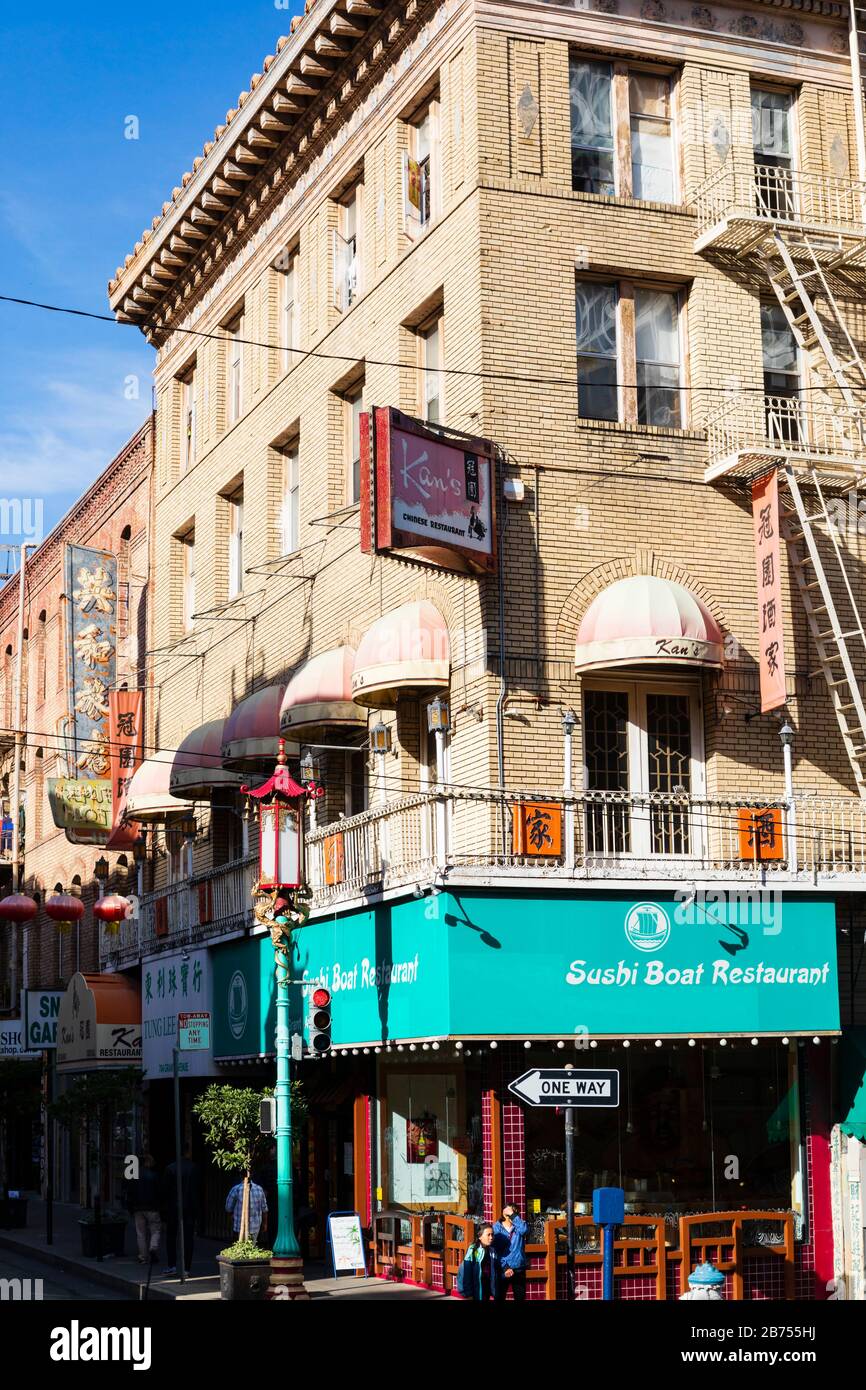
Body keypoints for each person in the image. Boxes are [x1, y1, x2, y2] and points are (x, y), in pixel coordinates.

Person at [162, 1144, 201, 1276]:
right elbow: (197, 1190)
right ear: (187, 1152)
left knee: (171, 1237)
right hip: (189, 1207)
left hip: (173, 1207)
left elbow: (165, 1191)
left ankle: (172, 1265)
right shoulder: (194, 1168)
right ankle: (186, 1269)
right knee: (188, 1238)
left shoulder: (170, 1168)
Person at [125, 1154, 162, 1264]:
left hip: (138, 1208)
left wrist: (130, 1208)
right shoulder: (155, 1176)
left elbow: (129, 1193)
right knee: (155, 1230)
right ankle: (153, 1247)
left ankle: (143, 1257)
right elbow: (159, 1192)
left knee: (140, 1233)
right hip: (152, 1208)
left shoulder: (134, 1176)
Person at [456, 1222, 502, 1301]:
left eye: (492, 1234)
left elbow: (496, 1269)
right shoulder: (473, 1250)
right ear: (480, 1236)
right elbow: (467, 1273)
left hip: (486, 1287)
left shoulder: (492, 1251)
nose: (491, 1237)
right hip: (475, 1289)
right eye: (488, 1235)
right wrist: (469, 1293)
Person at [493, 1203, 529, 1301]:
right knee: (499, 1296)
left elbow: (525, 1230)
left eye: (513, 1211)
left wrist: (513, 1216)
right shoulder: (496, 1228)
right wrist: (505, 1267)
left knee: (520, 1297)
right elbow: (494, 1251)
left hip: (518, 1267)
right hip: (503, 1268)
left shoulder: (519, 1225)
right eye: (507, 1210)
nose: (509, 1213)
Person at [225, 1177, 269, 1244]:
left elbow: (228, 1208)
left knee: (239, 1248)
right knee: (252, 1247)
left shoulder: (236, 1189)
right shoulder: (259, 1189)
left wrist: (232, 1220)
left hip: (239, 1226)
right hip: (256, 1227)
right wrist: (265, 1224)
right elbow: (264, 1209)